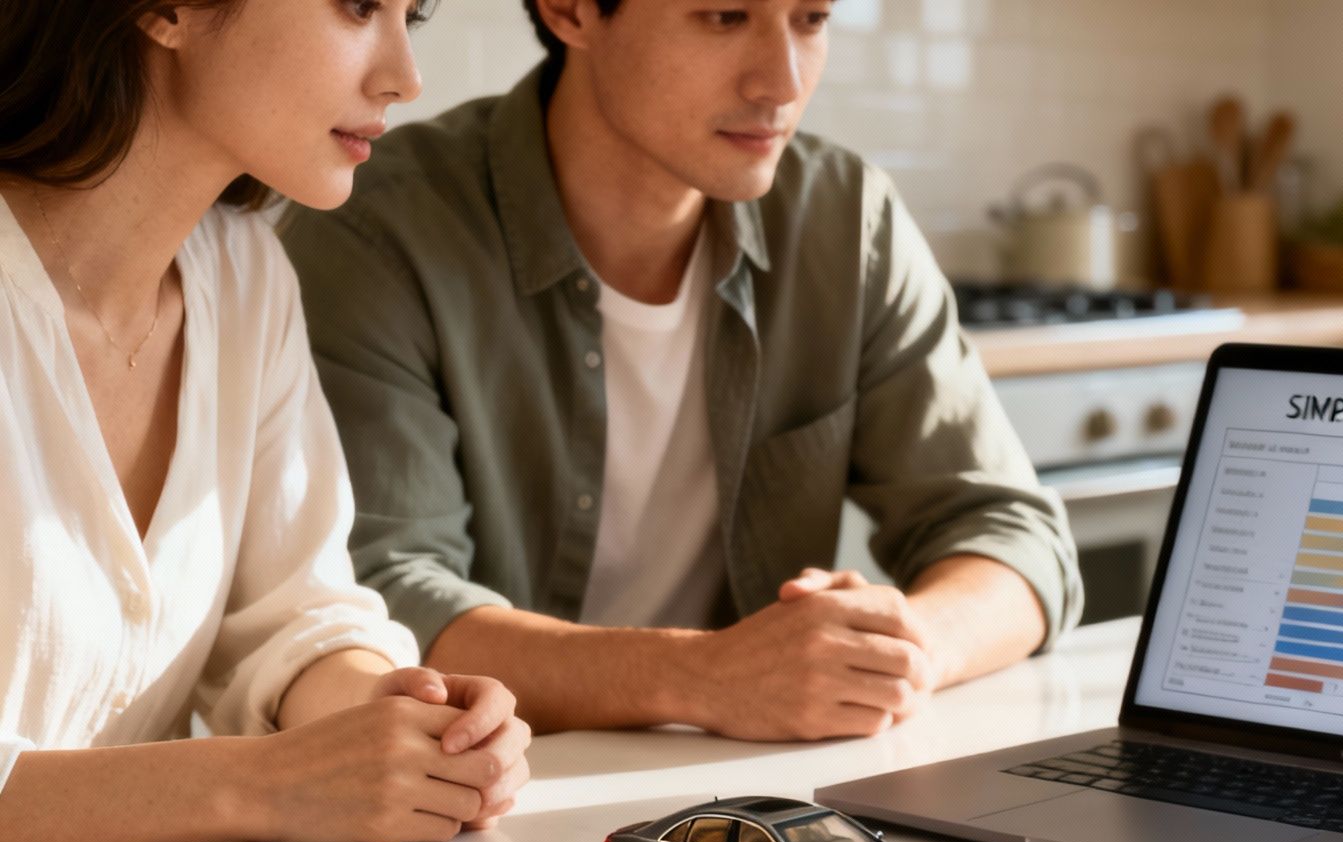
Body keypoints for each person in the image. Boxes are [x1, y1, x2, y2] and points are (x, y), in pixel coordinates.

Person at [277, 0, 1083, 743]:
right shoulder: (382, 229)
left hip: (750, 799)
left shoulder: (845, 219)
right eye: (724, 16)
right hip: (489, 799)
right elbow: (382, 603)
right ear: (570, 10)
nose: (784, 82)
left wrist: (907, 653)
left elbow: (1014, 536)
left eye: (810, 18)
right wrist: (710, 676)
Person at [0, 0, 531, 842]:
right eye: (360, 7)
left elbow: (291, 613)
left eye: (414, 16)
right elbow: (268, 775)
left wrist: (400, 712)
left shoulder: (245, 276)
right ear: (166, 10)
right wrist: (261, 784)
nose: (405, 75)